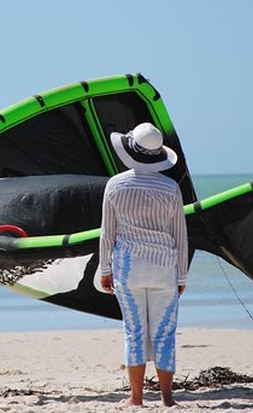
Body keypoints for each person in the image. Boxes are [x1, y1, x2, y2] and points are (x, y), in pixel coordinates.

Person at [98, 122, 188, 407]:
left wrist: (105, 269)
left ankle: (136, 399)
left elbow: (107, 233)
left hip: (128, 268)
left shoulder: (116, 185)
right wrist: (182, 275)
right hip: (164, 269)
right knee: (164, 334)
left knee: (134, 332)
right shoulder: (171, 187)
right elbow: (180, 236)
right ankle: (167, 398)